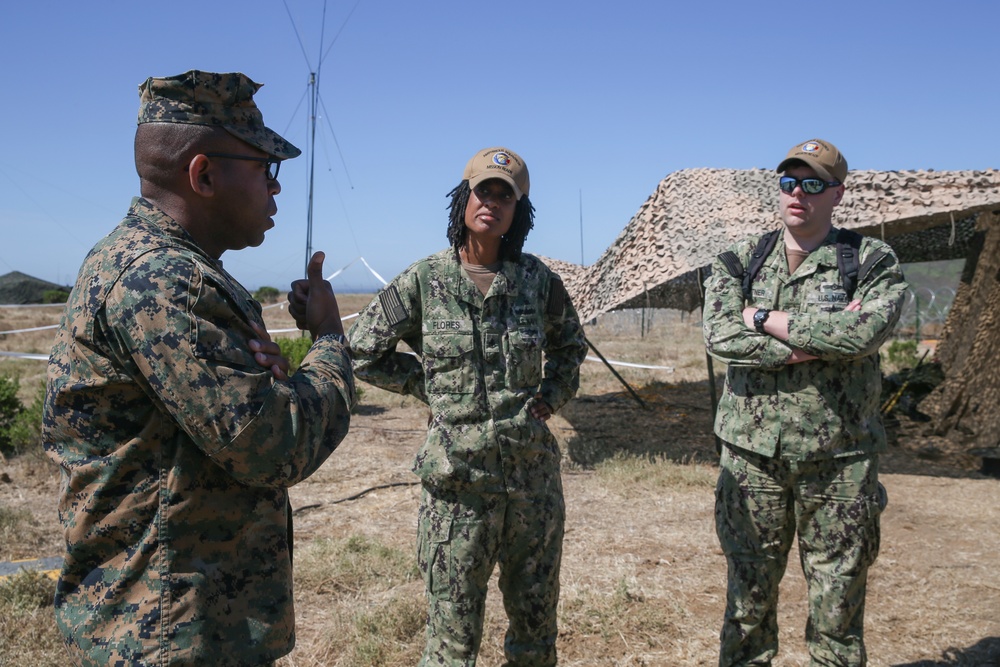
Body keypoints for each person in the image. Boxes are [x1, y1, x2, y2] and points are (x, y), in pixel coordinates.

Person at [43, 70, 356, 667]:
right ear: (204, 175)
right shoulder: (167, 284)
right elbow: (275, 444)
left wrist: (280, 383)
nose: (275, 188)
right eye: (266, 168)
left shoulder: (158, 267)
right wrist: (329, 341)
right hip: (169, 632)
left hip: (179, 619)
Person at [328, 147, 586, 666]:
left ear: (519, 212)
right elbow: (362, 350)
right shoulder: (425, 280)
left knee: (536, 635)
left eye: (505, 196)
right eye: (483, 190)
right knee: (451, 642)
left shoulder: (537, 281)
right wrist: (431, 388)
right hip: (456, 494)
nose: (492, 202)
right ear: (463, 199)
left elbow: (570, 346)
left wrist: (549, 398)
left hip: (531, 490)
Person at [703, 138, 909, 666]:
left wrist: (761, 319)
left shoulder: (869, 259)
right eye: (789, 182)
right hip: (752, 460)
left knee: (837, 615)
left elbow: (863, 335)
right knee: (747, 605)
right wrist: (817, 339)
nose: (799, 193)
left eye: (814, 183)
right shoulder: (739, 259)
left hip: (840, 461)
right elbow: (720, 337)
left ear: (837, 193)